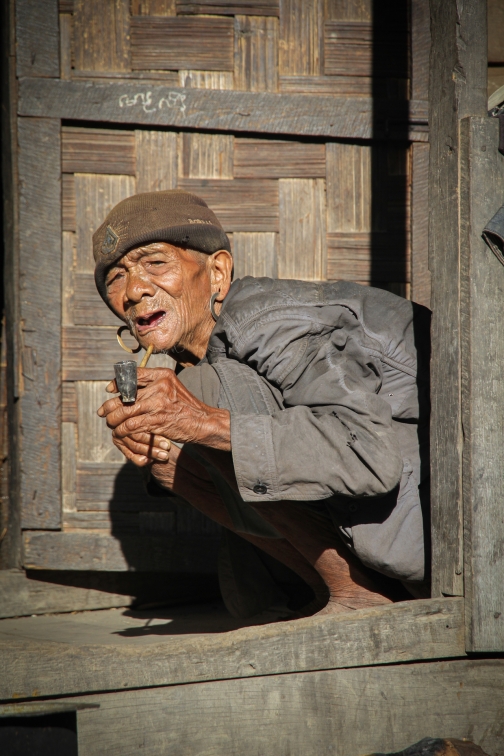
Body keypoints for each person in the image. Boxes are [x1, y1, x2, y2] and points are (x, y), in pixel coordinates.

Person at [95, 190, 431, 618]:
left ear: (217, 272)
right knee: (169, 442)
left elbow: (368, 452)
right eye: (116, 278)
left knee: (199, 403)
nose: (135, 290)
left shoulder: (269, 320)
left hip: (446, 521)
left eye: (155, 263)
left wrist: (201, 421)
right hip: (391, 528)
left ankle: (354, 595)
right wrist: (164, 435)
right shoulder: (209, 353)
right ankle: (331, 589)